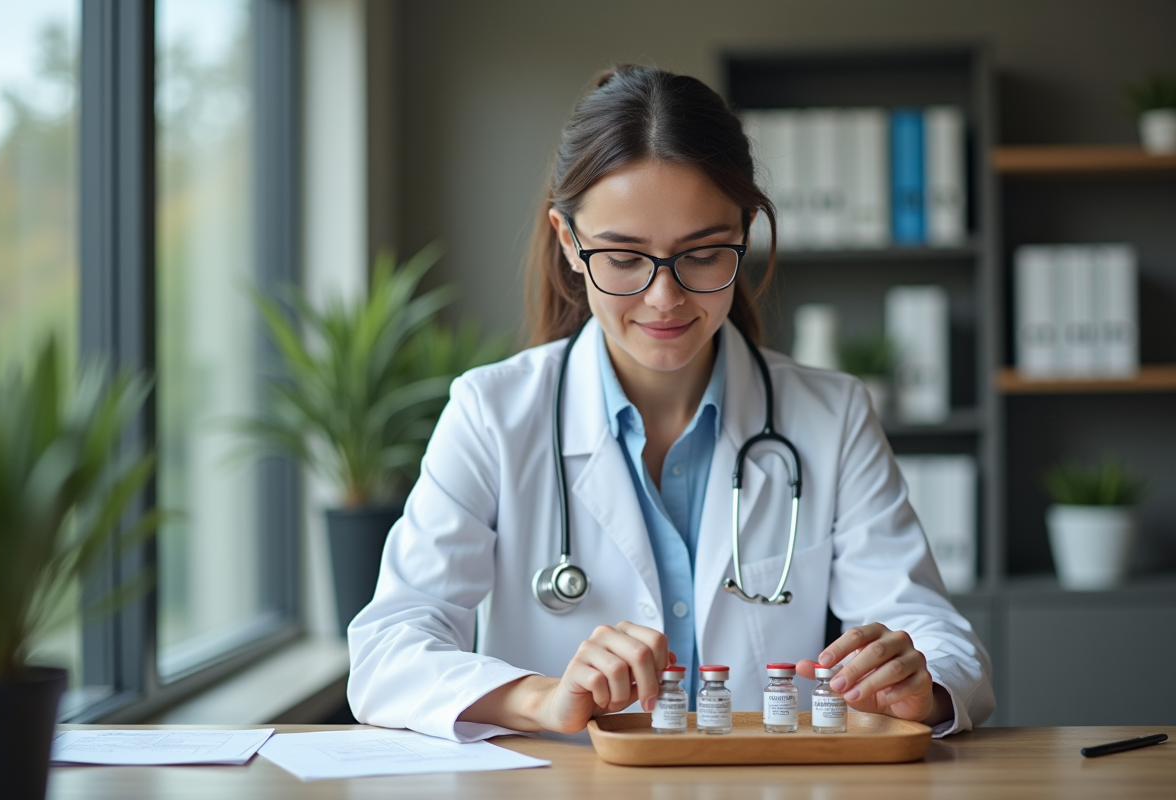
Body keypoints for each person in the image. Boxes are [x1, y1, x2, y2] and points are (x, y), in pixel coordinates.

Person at [347, 65, 994, 742]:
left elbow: (943, 642)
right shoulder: (491, 414)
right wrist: (541, 698)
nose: (665, 298)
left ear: (745, 234)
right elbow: (386, 651)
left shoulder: (831, 417)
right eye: (624, 258)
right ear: (570, 243)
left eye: (704, 254)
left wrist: (919, 681)